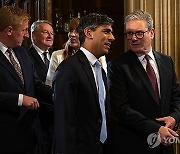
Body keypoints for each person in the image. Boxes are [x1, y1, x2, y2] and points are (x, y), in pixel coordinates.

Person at [107, 10, 180, 154]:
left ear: (151, 33)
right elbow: (121, 109)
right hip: (134, 144)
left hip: (165, 145)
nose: (133, 38)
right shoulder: (117, 66)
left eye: (139, 33)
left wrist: (174, 117)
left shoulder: (166, 61)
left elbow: (176, 97)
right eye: (129, 33)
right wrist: (156, 129)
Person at [53, 13, 115, 154]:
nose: (112, 37)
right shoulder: (68, 69)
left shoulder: (101, 70)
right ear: (88, 33)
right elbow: (63, 124)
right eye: (106, 31)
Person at [0, 6, 52, 154]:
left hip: (31, 135)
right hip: (6, 137)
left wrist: (57, 92)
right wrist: (19, 99)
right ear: (9, 30)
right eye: (23, 30)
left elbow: (35, 84)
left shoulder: (22, 52)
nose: (26, 35)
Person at [46, 17, 107, 86]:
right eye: (71, 31)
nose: (72, 34)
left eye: (77, 31)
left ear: (87, 34)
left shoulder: (99, 57)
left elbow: (103, 86)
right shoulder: (57, 55)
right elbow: (50, 85)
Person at [28, 20, 54, 154]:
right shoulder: (26, 57)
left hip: (57, 118)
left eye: (52, 33)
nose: (50, 36)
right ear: (33, 35)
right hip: (40, 117)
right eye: (45, 32)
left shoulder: (57, 55)